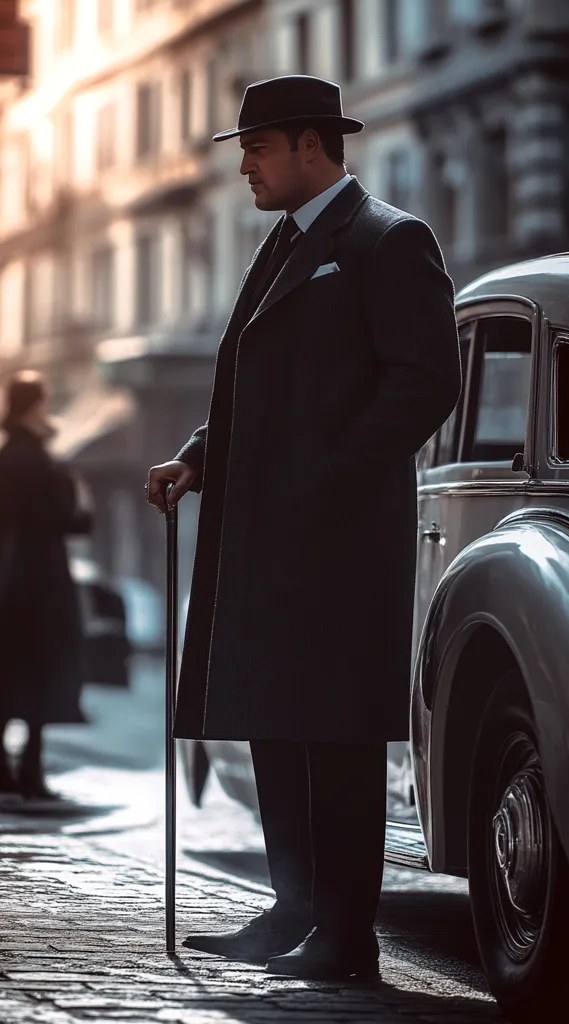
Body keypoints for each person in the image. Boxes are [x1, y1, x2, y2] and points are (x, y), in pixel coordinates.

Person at [146, 75, 461, 980]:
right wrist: (199, 455)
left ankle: (345, 935)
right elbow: (264, 386)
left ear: (309, 146)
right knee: (274, 720)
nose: (244, 165)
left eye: (256, 148)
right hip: (267, 541)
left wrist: (328, 477)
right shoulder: (285, 243)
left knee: (336, 736)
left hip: (338, 545)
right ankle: (292, 910)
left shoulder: (387, 239)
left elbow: (426, 381)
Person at [0, 372, 93, 799]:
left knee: (8, 674)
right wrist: (78, 490)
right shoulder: (43, 463)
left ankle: (6, 771)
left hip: (6, 580)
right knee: (39, 674)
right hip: (40, 581)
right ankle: (30, 771)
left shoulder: (5, 458)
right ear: (36, 406)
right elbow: (74, 520)